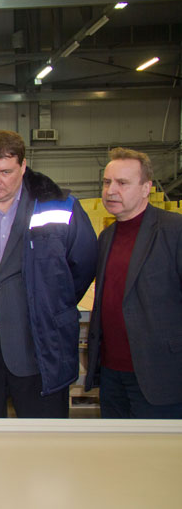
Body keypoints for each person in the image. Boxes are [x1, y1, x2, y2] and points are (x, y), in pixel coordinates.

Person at [0, 130, 97, 418]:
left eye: (5, 172)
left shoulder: (60, 206)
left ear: (23, 167)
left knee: (43, 437)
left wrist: (49, 305)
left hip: (40, 348)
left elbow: (83, 264)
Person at [86, 147, 182, 418]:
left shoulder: (174, 230)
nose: (111, 191)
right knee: (117, 444)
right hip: (111, 375)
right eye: (107, 182)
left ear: (146, 188)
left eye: (122, 183)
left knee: (157, 446)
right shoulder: (107, 237)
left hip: (160, 375)